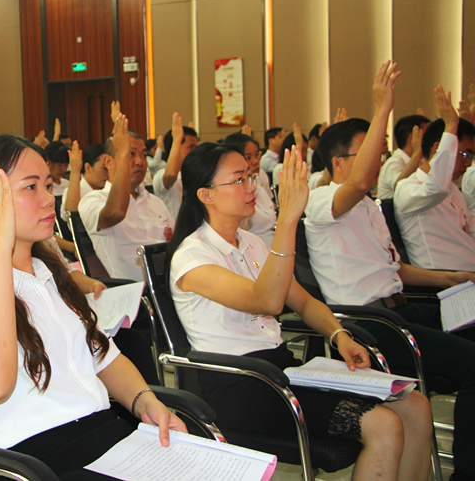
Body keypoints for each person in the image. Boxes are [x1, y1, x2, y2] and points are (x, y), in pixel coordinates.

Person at [167, 140, 432, 480]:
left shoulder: (252, 243)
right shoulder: (191, 257)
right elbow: (266, 300)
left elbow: (304, 302)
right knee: (385, 425)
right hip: (240, 384)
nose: (252, 187)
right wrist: (288, 220)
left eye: (251, 177)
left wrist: (339, 335)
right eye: (239, 180)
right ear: (206, 195)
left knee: (415, 406)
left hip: (281, 370)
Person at [0, 134, 185, 479]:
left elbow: (103, 355)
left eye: (48, 185)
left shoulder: (48, 272)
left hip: (98, 434)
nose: (49, 198)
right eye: (31, 187)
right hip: (30, 460)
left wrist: (145, 401)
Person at [304, 63, 475, 481]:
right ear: (338, 162)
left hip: (401, 310)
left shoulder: (367, 206)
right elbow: (359, 182)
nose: (377, 161)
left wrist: (449, 278)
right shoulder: (320, 201)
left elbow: (394, 267)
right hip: (371, 326)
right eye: (368, 152)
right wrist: (383, 108)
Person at [80, 114, 173, 282]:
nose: (139, 162)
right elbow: (116, 212)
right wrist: (122, 155)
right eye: (131, 154)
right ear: (108, 162)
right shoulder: (93, 200)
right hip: (134, 291)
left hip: (170, 282)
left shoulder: (155, 202)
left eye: (143, 155)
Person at [394, 89, 475, 271]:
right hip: (446, 279)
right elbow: (436, 188)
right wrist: (451, 126)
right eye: (465, 154)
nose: (468, 163)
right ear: (437, 149)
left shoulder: (453, 190)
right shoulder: (408, 188)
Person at [223, 132, 277, 247]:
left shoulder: (259, 187)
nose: (255, 161)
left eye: (257, 155)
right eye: (248, 157)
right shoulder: (233, 195)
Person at [152, 114, 199, 219]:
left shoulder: (195, 175)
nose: (195, 152)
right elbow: (171, 174)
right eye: (190, 147)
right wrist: (177, 139)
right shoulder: (161, 175)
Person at [377, 115, 429, 200]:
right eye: (427, 135)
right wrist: (417, 152)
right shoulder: (393, 163)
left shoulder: (420, 161)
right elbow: (400, 186)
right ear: (412, 138)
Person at [62, 142, 109, 222]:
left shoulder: (108, 191)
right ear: (88, 168)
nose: (108, 173)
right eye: (104, 168)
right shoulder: (73, 193)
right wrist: (75, 169)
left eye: (110, 168)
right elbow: (73, 217)